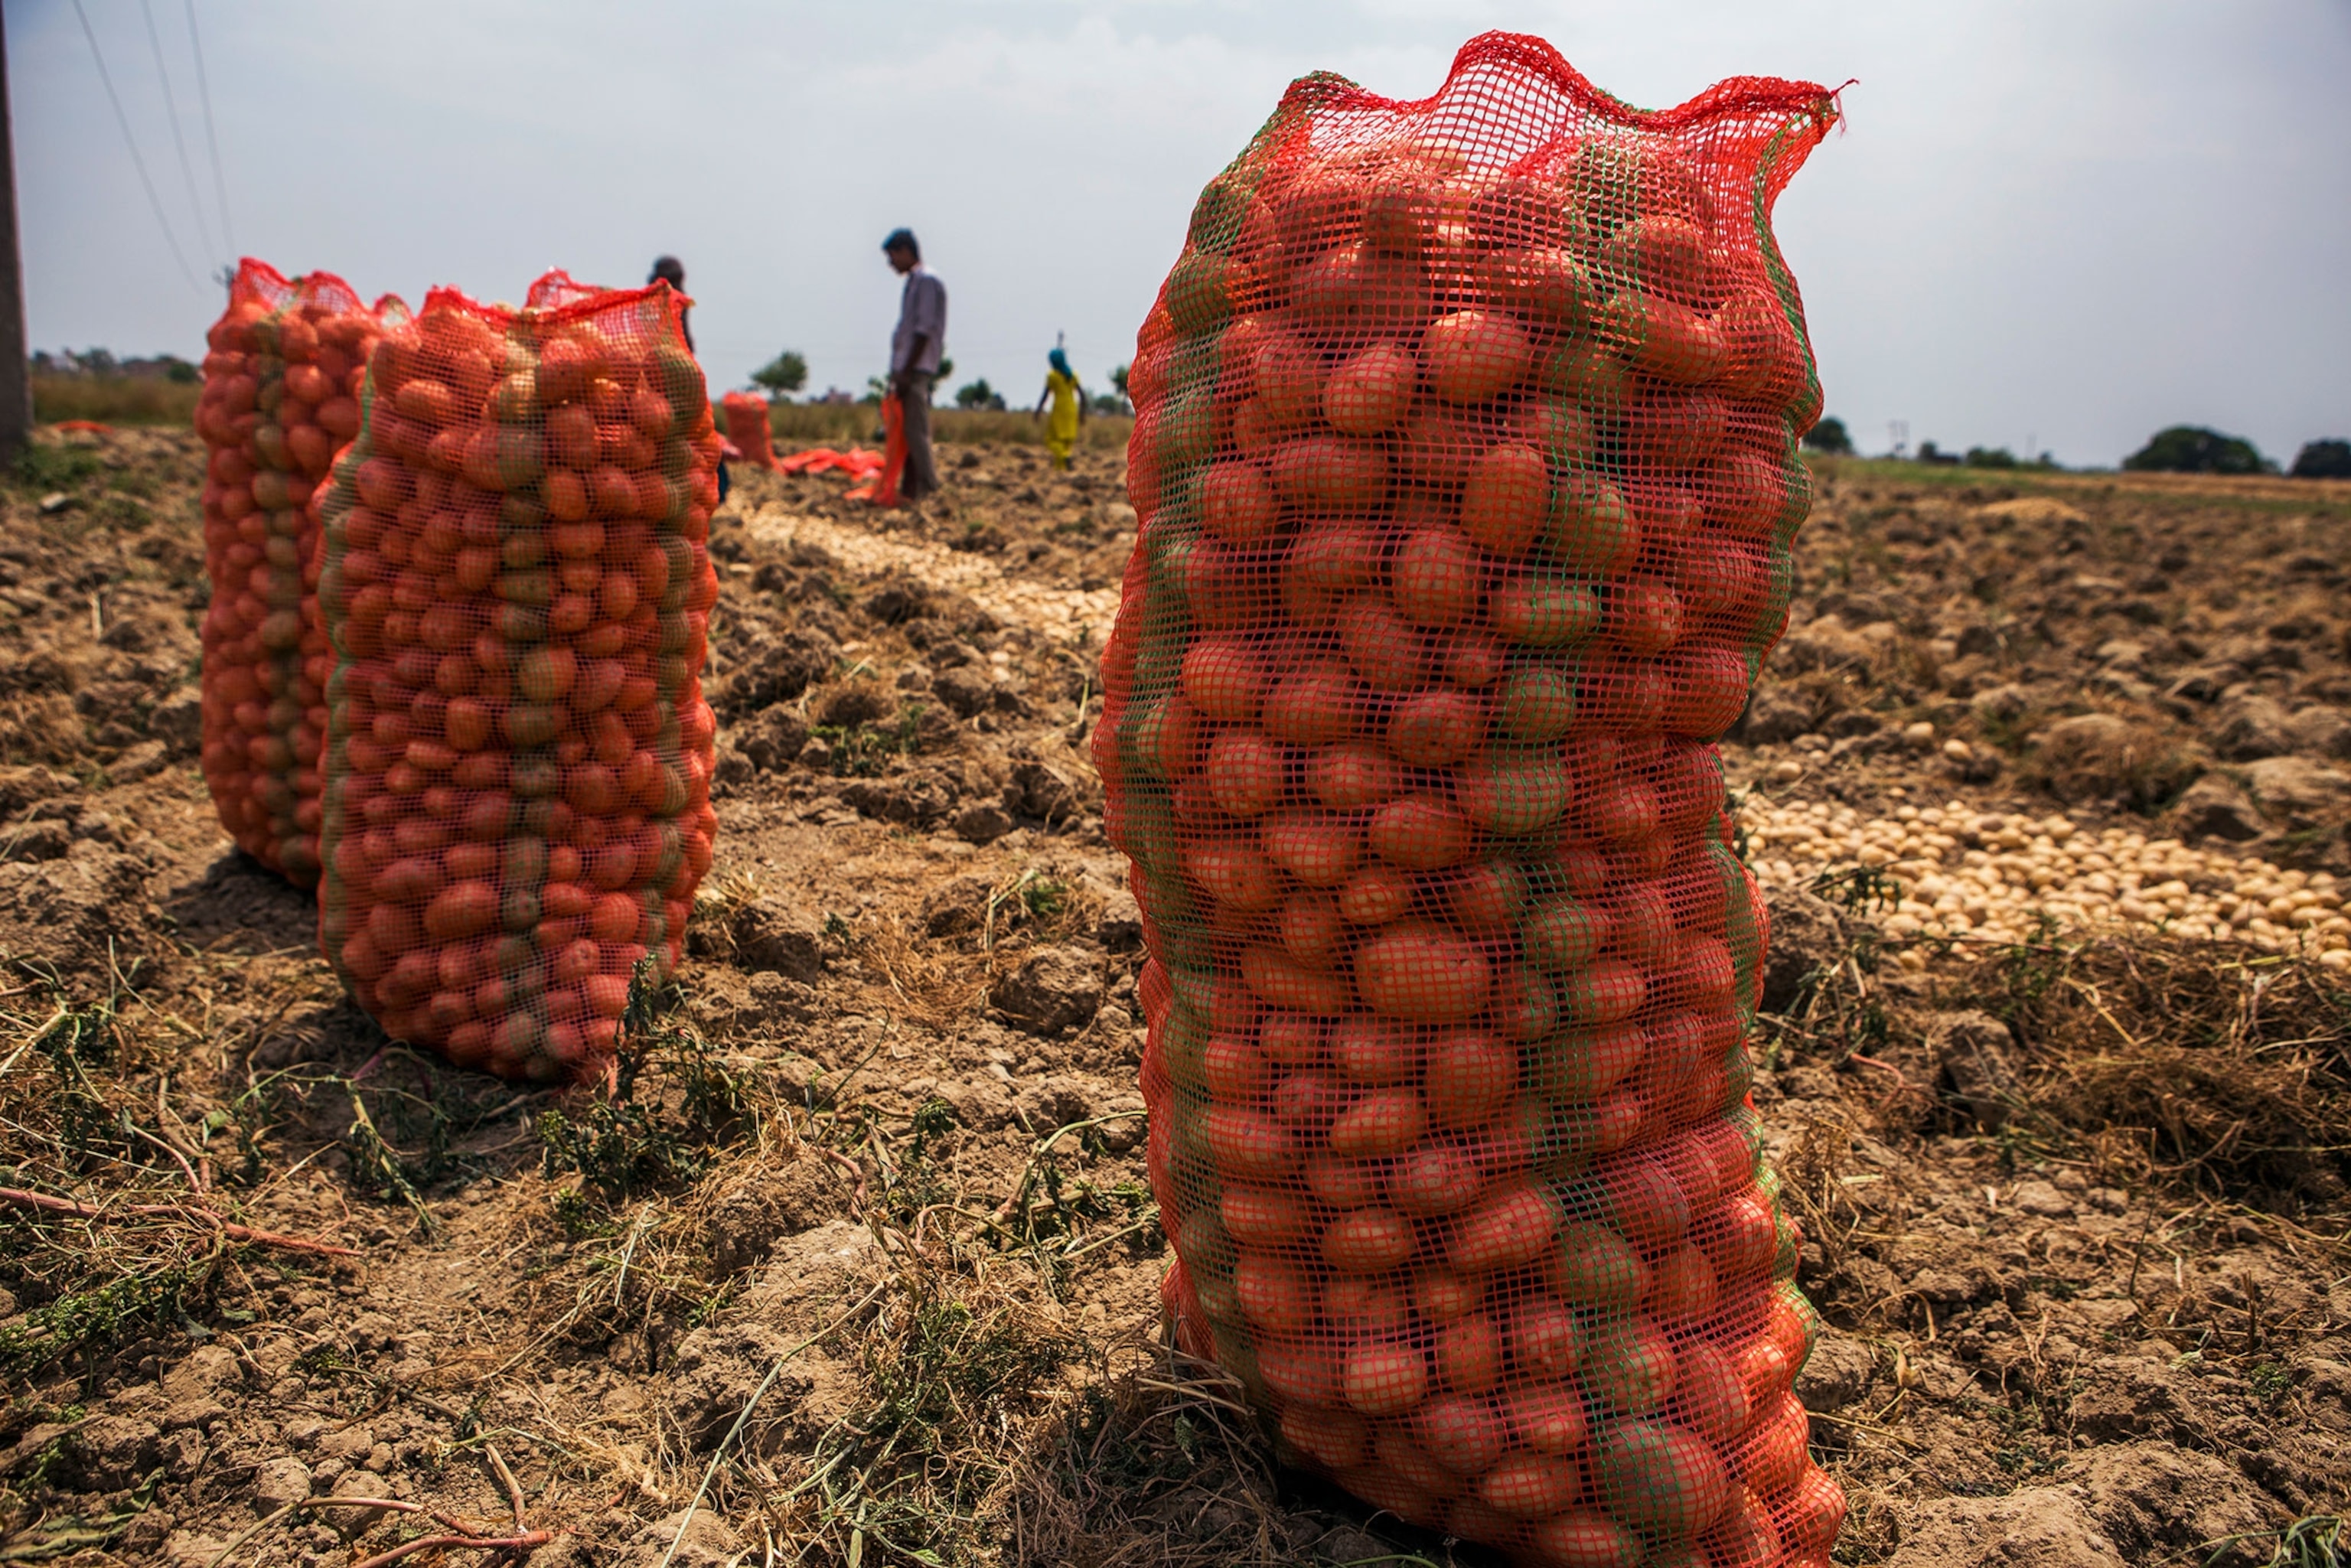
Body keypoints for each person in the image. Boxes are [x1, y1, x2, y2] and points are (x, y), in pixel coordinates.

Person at [649, 256, 727, 501]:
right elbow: (682, 339)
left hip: (673, 376)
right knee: (682, 433)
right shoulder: (664, 297)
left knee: (689, 433)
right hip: (669, 378)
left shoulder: (667, 297)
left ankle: (713, 487)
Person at [882, 229, 945, 502]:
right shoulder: (914, 283)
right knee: (906, 431)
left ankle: (929, 487)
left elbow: (924, 330)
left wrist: (907, 371)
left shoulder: (927, 281)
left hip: (916, 369)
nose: (891, 263)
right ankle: (912, 489)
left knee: (915, 431)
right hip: (907, 368)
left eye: (893, 255)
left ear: (907, 251)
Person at [1033, 346, 1086, 471]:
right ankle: (1061, 470)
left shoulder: (1053, 376)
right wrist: (1082, 413)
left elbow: (1045, 395)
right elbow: (1083, 396)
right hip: (1071, 408)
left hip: (1059, 409)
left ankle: (1064, 456)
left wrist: (1038, 410)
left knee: (1051, 439)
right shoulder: (1073, 374)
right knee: (1067, 441)